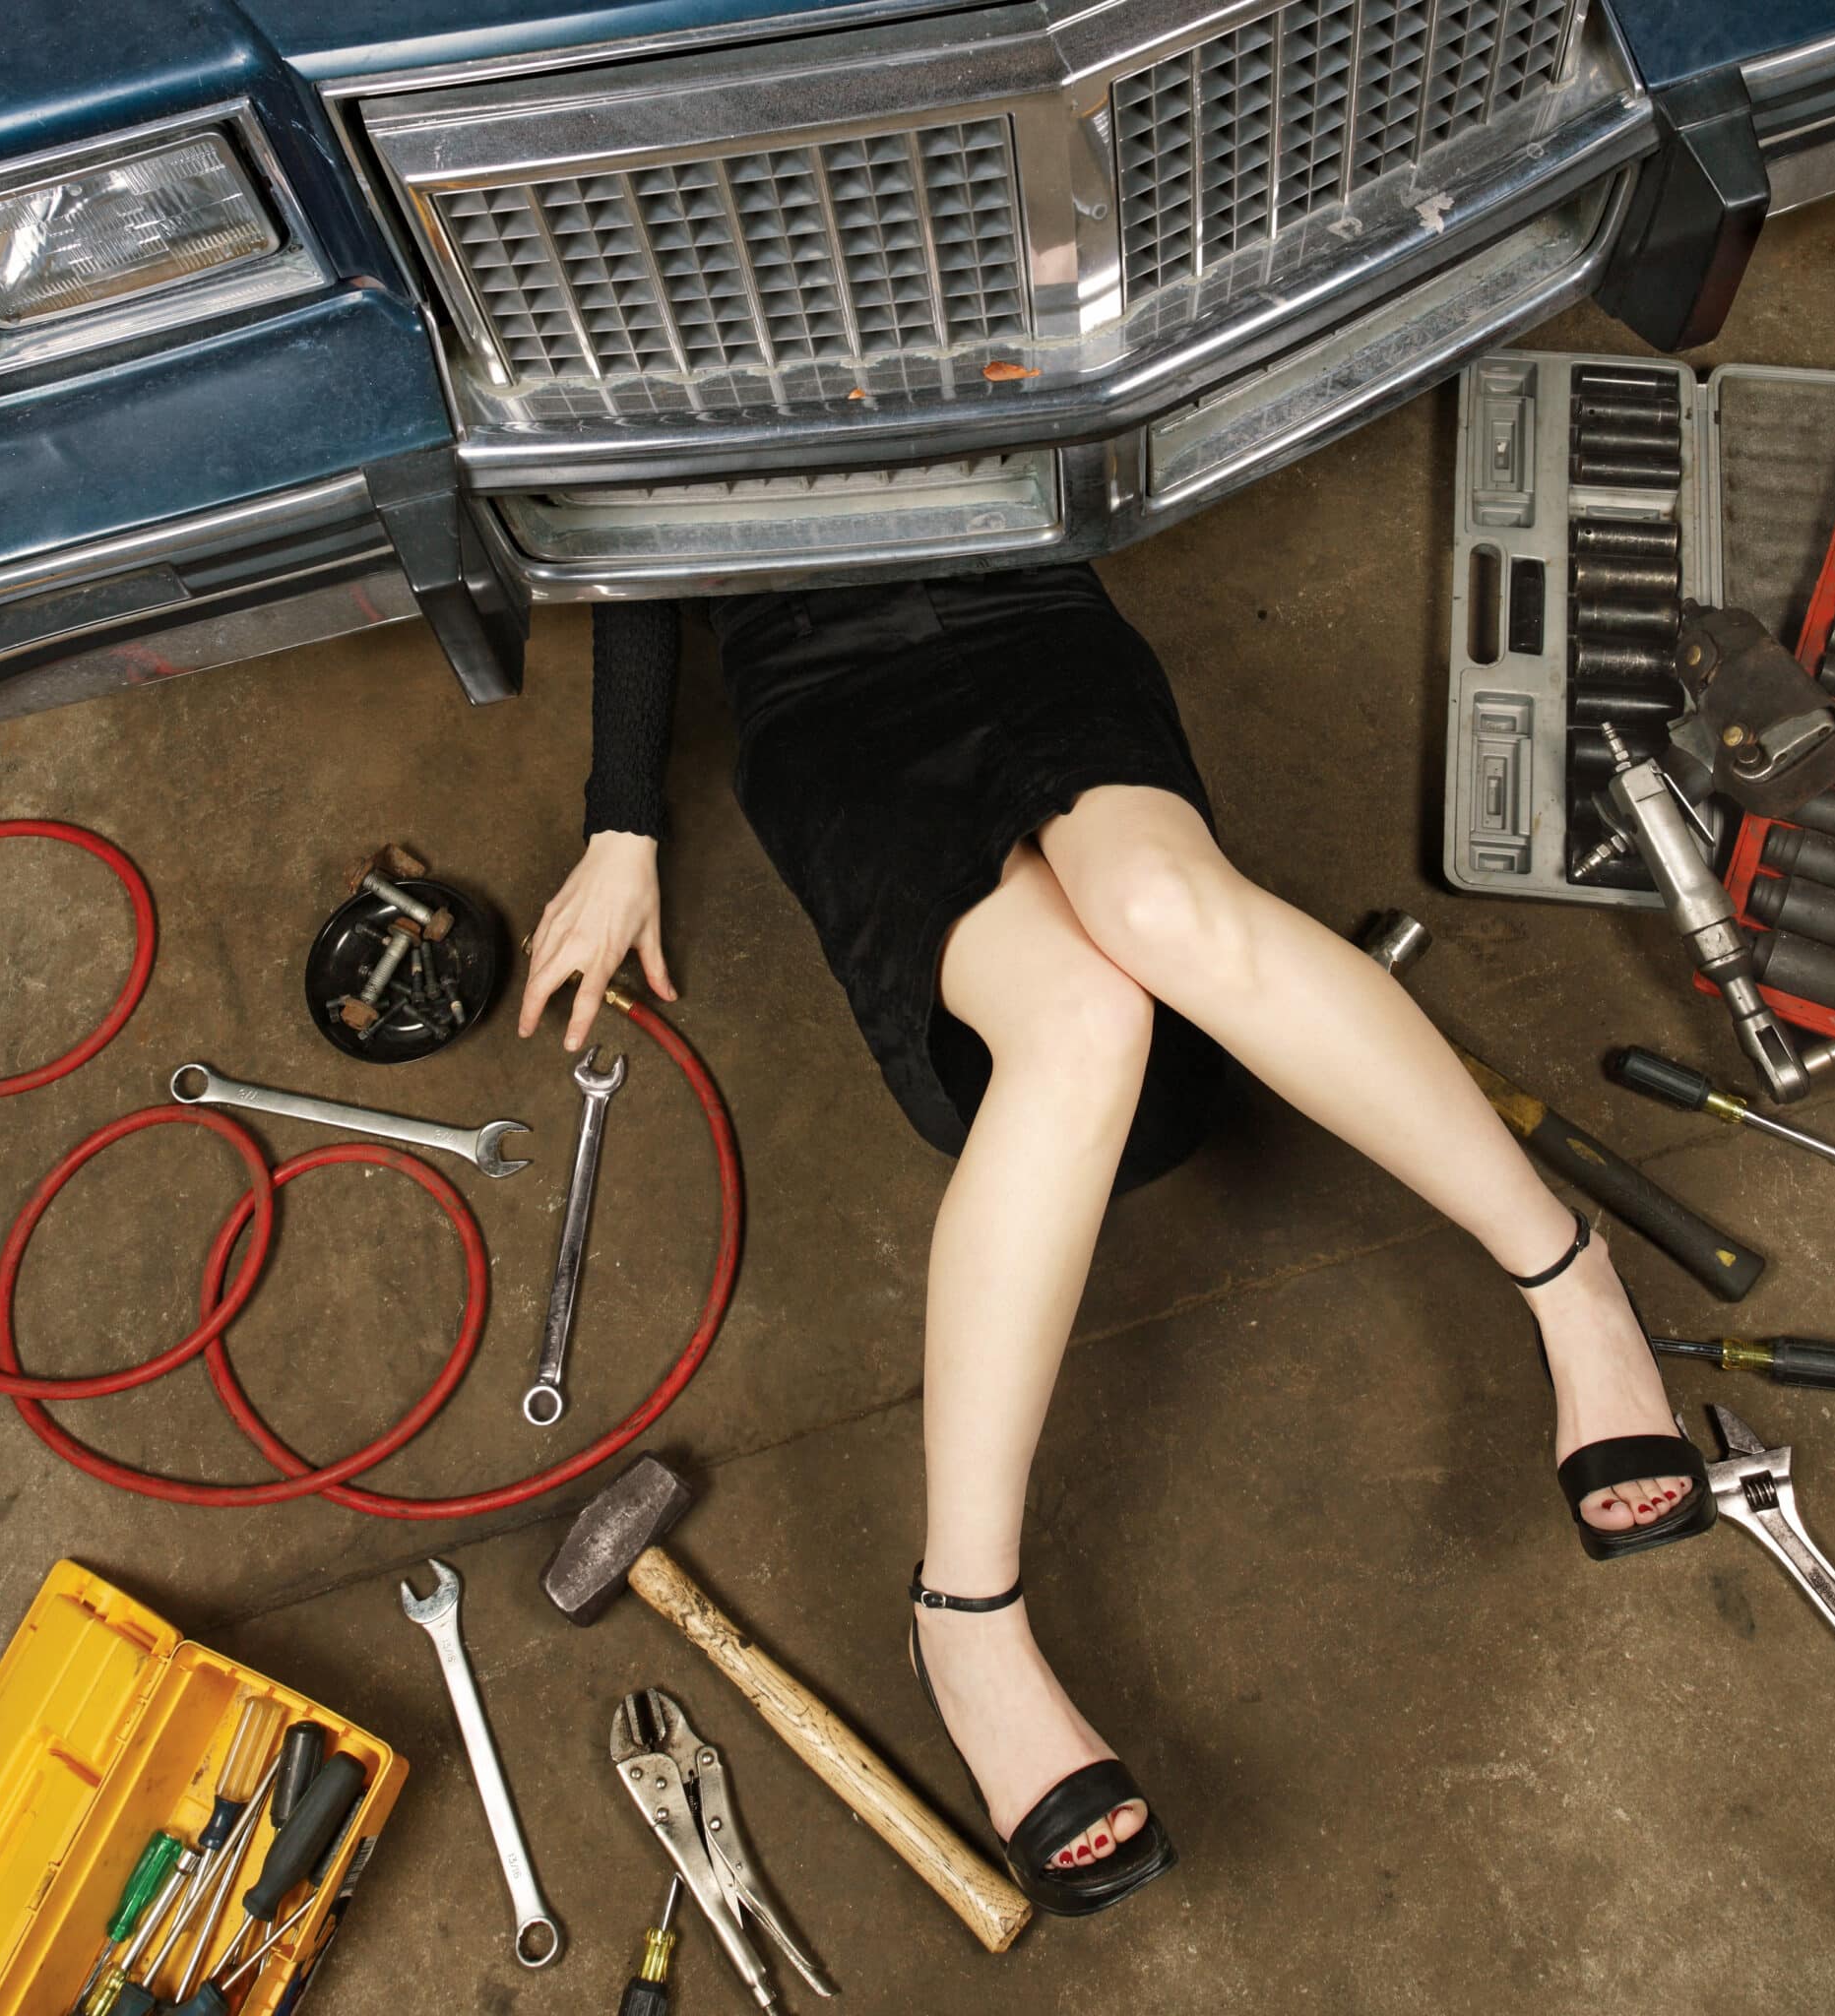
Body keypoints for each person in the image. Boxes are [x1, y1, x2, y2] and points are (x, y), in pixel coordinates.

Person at [518, 566, 1715, 1919]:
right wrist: (623, 819)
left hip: (1016, 591)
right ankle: (961, 1618)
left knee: (1161, 911)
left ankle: (1571, 1282)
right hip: (815, 674)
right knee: (1083, 1020)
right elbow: (612, 500)